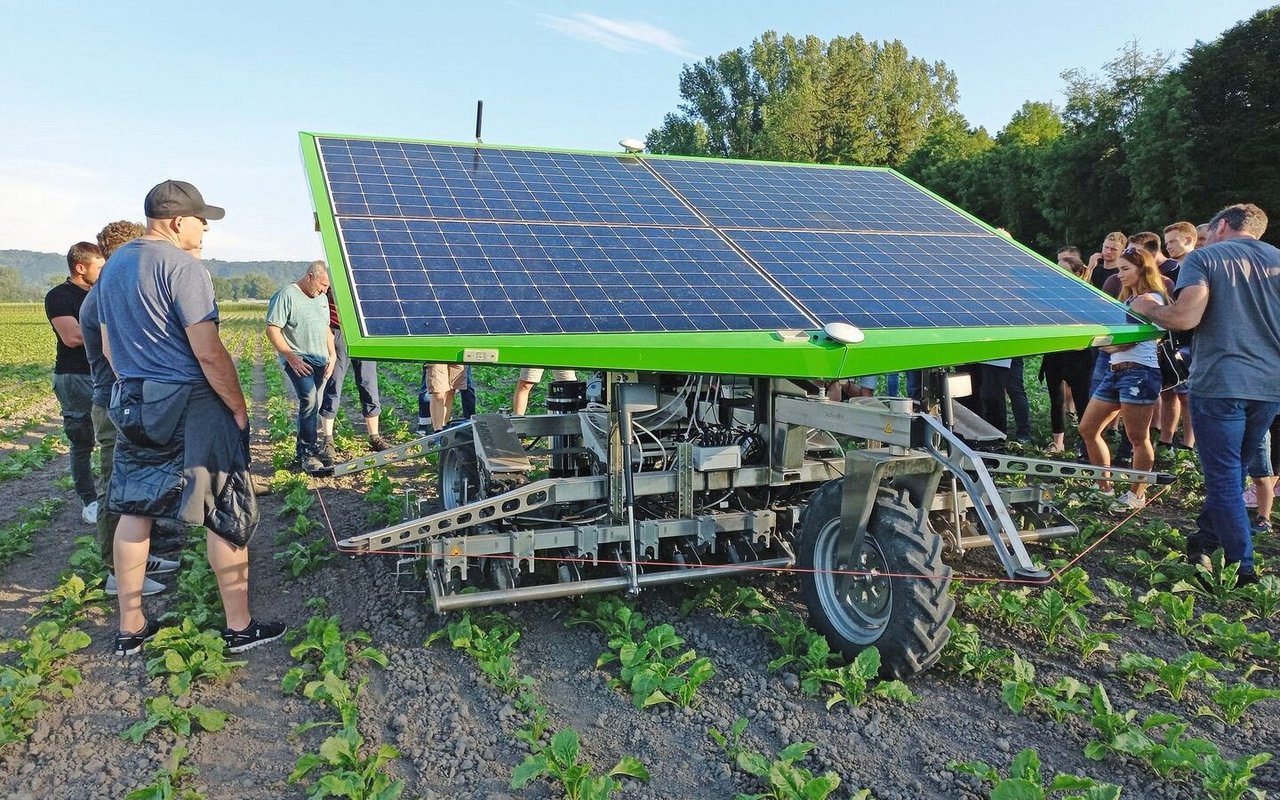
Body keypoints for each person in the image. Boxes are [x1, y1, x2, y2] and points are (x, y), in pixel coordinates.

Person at [98, 179, 284, 654]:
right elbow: (208, 352)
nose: (205, 229)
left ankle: (131, 628)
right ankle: (239, 628)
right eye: (202, 220)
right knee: (226, 510)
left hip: (135, 398)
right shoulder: (183, 267)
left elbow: (107, 346)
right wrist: (238, 408)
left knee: (136, 509)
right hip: (192, 402)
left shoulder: (114, 265)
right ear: (178, 221)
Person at [1131, 203, 1280, 584]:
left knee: (1225, 476)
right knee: (1237, 467)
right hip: (1270, 386)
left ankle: (1241, 567)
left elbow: (1184, 317)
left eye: (1208, 232)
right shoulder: (1277, 260)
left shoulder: (1206, 258)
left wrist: (1147, 306)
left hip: (1220, 382)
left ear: (1223, 226)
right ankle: (1205, 537)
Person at [81, 221, 174, 597]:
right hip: (113, 401)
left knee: (132, 486)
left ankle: (137, 560)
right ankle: (115, 573)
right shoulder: (107, 292)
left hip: (120, 399)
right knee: (115, 489)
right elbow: (112, 353)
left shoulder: (109, 287)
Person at [1078, 245, 1168, 509]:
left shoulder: (1151, 299)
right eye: (1118, 269)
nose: (1119, 275)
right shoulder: (1129, 299)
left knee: (1138, 438)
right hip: (1116, 371)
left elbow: (1140, 337)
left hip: (1140, 373)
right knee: (1087, 428)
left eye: (1125, 269)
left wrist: (1114, 344)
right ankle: (1104, 487)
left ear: (1143, 269)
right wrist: (1113, 345)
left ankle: (1136, 495)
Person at [45, 242, 104, 524]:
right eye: (99, 266)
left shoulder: (100, 294)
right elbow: (73, 337)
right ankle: (89, 500)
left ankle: (110, 495)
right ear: (81, 268)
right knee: (82, 441)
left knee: (111, 436)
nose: (104, 271)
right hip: (74, 377)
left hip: (101, 375)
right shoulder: (59, 296)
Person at [266, 261, 336, 473]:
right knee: (309, 399)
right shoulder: (287, 294)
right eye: (322, 285)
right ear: (309, 277)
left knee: (315, 404)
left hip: (320, 360)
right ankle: (308, 453)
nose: (325, 290)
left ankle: (302, 452)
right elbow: (272, 329)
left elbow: (326, 329)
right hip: (299, 360)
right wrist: (291, 357)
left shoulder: (322, 298)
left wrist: (332, 356)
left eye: (327, 287)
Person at [319, 288, 389, 456]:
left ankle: (375, 437)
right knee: (333, 384)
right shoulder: (330, 284)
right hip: (338, 333)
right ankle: (328, 439)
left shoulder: (368, 282)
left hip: (364, 334)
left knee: (369, 384)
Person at [1041, 254, 1094, 453]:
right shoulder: (1049, 294)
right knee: (1056, 399)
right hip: (1054, 353)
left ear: (1078, 273)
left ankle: (1087, 444)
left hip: (1079, 356)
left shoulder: (1087, 295)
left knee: (1082, 401)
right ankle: (1058, 443)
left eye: (1063, 269)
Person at [1157, 221, 1200, 453]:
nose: (1169, 247)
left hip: (1193, 340)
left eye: (1173, 241)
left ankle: (1188, 446)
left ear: (1189, 240)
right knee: (1168, 391)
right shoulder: (1171, 269)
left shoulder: (1202, 265)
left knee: (1188, 396)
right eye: (1166, 243)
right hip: (1171, 338)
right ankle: (1166, 441)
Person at [514, 368, 578, 415]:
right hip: (537, 350)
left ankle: (572, 425)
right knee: (525, 384)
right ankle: (517, 423)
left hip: (560, 350)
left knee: (569, 384)